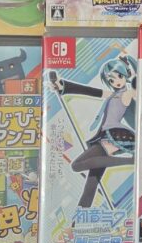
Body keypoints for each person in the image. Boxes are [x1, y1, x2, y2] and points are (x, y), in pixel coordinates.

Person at [51, 55, 137, 208]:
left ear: (126, 75)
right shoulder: (113, 95)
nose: (116, 81)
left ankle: (131, 161)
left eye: (119, 76)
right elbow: (89, 91)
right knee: (91, 183)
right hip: (103, 135)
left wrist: (131, 64)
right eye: (111, 80)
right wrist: (62, 86)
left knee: (76, 165)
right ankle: (80, 215)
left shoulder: (127, 94)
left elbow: (137, 85)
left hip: (113, 136)